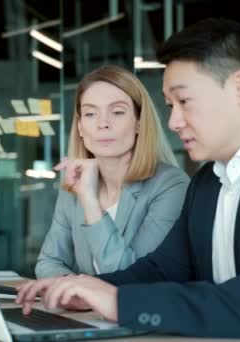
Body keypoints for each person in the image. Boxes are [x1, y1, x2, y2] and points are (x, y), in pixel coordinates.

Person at [16, 19, 240, 341]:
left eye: (184, 101)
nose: (174, 121)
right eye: (169, 105)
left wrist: (118, 301)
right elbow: (162, 270)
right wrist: (85, 289)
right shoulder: (208, 181)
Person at [35, 65, 189, 278]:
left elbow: (132, 277)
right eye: (90, 114)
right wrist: (79, 293)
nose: (103, 124)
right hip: (88, 312)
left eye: (117, 112)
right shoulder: (74, 186)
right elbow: (48, 263)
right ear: (80, 126)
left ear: (138, 122)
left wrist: (89, 200)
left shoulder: (171, 185)